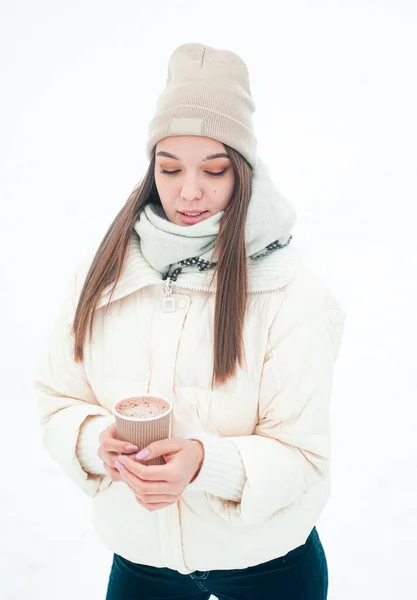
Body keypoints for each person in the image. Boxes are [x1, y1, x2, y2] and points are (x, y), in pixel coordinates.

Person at [35, 43, 346, 600]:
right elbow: (59, 397)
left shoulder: (288, 291)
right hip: (141, 561)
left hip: (269, 565)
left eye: (214, 169)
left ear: (244, 172)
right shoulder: (104, 271)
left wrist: (205, 462)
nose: (189, 191)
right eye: (170, 168)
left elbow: (302, 454)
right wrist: (92, 441)